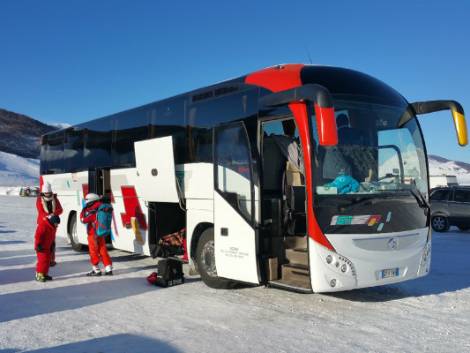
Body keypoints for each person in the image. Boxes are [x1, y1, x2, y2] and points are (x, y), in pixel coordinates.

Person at [80, 193, 113, 276]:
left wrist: (83, 215)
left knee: (93, 251)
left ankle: (96, 269)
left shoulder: (91, 209)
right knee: (103, 250)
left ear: (91, 200)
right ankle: (108, 268)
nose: (86, 202)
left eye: (87, 200)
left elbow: (83, 219)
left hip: (92, 234)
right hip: (100, 233)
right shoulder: (101, 206)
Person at [36, 182, 63, 267]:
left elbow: (60, 209)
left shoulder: (55, 199)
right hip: (43, 223)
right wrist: (48, 216)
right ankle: (43, 260)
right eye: (46, 193)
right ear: (43, 192)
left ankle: (51, 259)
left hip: (53, 224)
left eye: (49, 193)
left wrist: (53, 215)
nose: (47, 195)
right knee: (43, 242)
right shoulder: (39, 200)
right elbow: (41, 212)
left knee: (52, 242)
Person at [34, 215, 60, 282]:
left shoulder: (53, 227)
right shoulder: (43, 225)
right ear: (52, 221)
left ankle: (44, 274)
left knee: (47, 261)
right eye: (56, 223)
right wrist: (38, 245)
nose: (57, 225)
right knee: (43, 261)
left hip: (48, 246)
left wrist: (52, 244)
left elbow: (52, 237)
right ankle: (39, 275)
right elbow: (38, 236)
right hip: (41, 247)